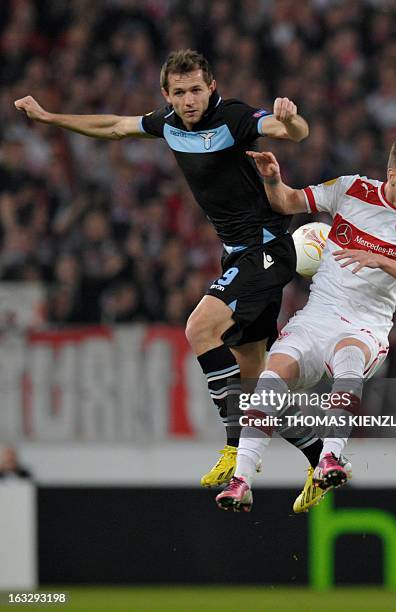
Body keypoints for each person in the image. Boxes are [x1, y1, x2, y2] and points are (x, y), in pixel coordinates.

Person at [14, 49, 313, 487]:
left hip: (267, 249)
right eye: (180, 92)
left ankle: (234, 450)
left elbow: (293, 132)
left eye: (196, 89)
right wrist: (49, 118)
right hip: (237, 253)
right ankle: (322, 455)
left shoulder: (232, 118)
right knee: (253, 385)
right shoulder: (168, 124)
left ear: (211, 87)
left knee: (199, 328)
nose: (189, 100)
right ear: (166, 95)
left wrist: (290, 119)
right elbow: (114, 126)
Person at [216, 135, 396, 513]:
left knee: (349, 359)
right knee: (272, 376)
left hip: (365, 327)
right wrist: (273, 179)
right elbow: (287, 201)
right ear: (393, 175)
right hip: (318, 315)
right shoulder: (350, 189)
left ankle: (330, 458)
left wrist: (381, 260)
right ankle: (242, 480)